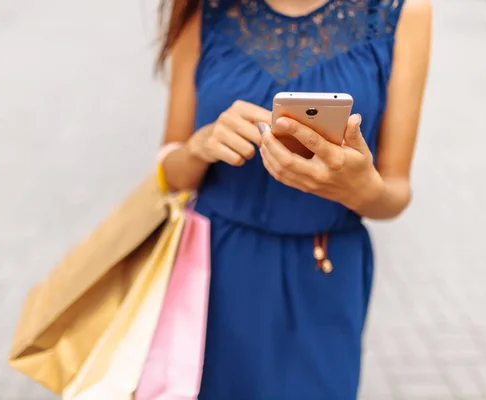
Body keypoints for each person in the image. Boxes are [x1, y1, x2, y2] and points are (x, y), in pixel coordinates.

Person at [156, 0, 431, 398]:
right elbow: (169, 176)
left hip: (324, 275)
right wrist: (200, 147)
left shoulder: (402, 12)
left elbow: (395, 193)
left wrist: (358, 188)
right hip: (213, 271)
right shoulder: (204, 7)